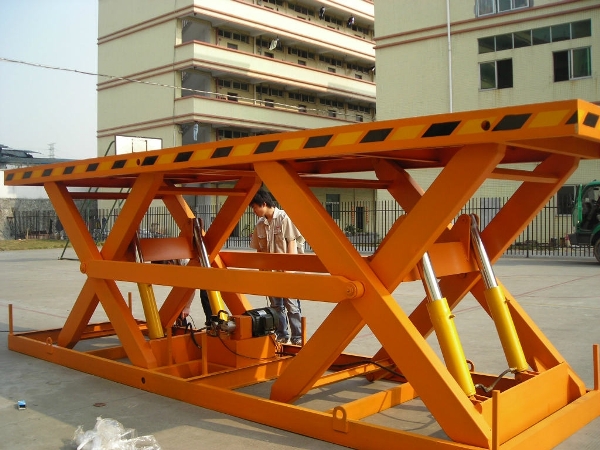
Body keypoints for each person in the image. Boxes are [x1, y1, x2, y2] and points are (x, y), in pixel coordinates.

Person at [249, 189, 304, 345]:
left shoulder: (284, 218)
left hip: (286, 272)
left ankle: (297, 337)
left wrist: (288, 270)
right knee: (276, 306)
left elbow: (291, 242)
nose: (253, 211)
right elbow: (259, 250)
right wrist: (262, 272)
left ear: (263, 204)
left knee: (292, 306)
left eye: (254, 207)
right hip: (271, 273)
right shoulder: (260, 224)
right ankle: (282, 335)